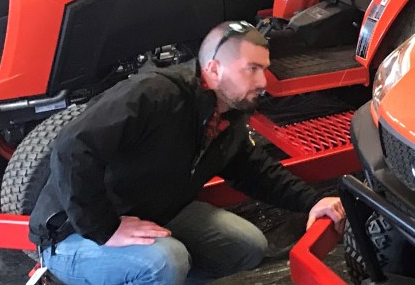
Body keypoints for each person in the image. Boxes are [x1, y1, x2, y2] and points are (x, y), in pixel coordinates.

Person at [29, 21, 346, 284]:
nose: (264, 81)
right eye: (252, 69)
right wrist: (104, 229)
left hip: (152, 211)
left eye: (264, 69)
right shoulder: (154, 94)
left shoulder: (227, 117)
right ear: (214, 68)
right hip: (72, 233)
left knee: (248, 246)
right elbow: (73, 147)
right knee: (165, 262)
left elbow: (255, 169)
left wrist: (311, 201)